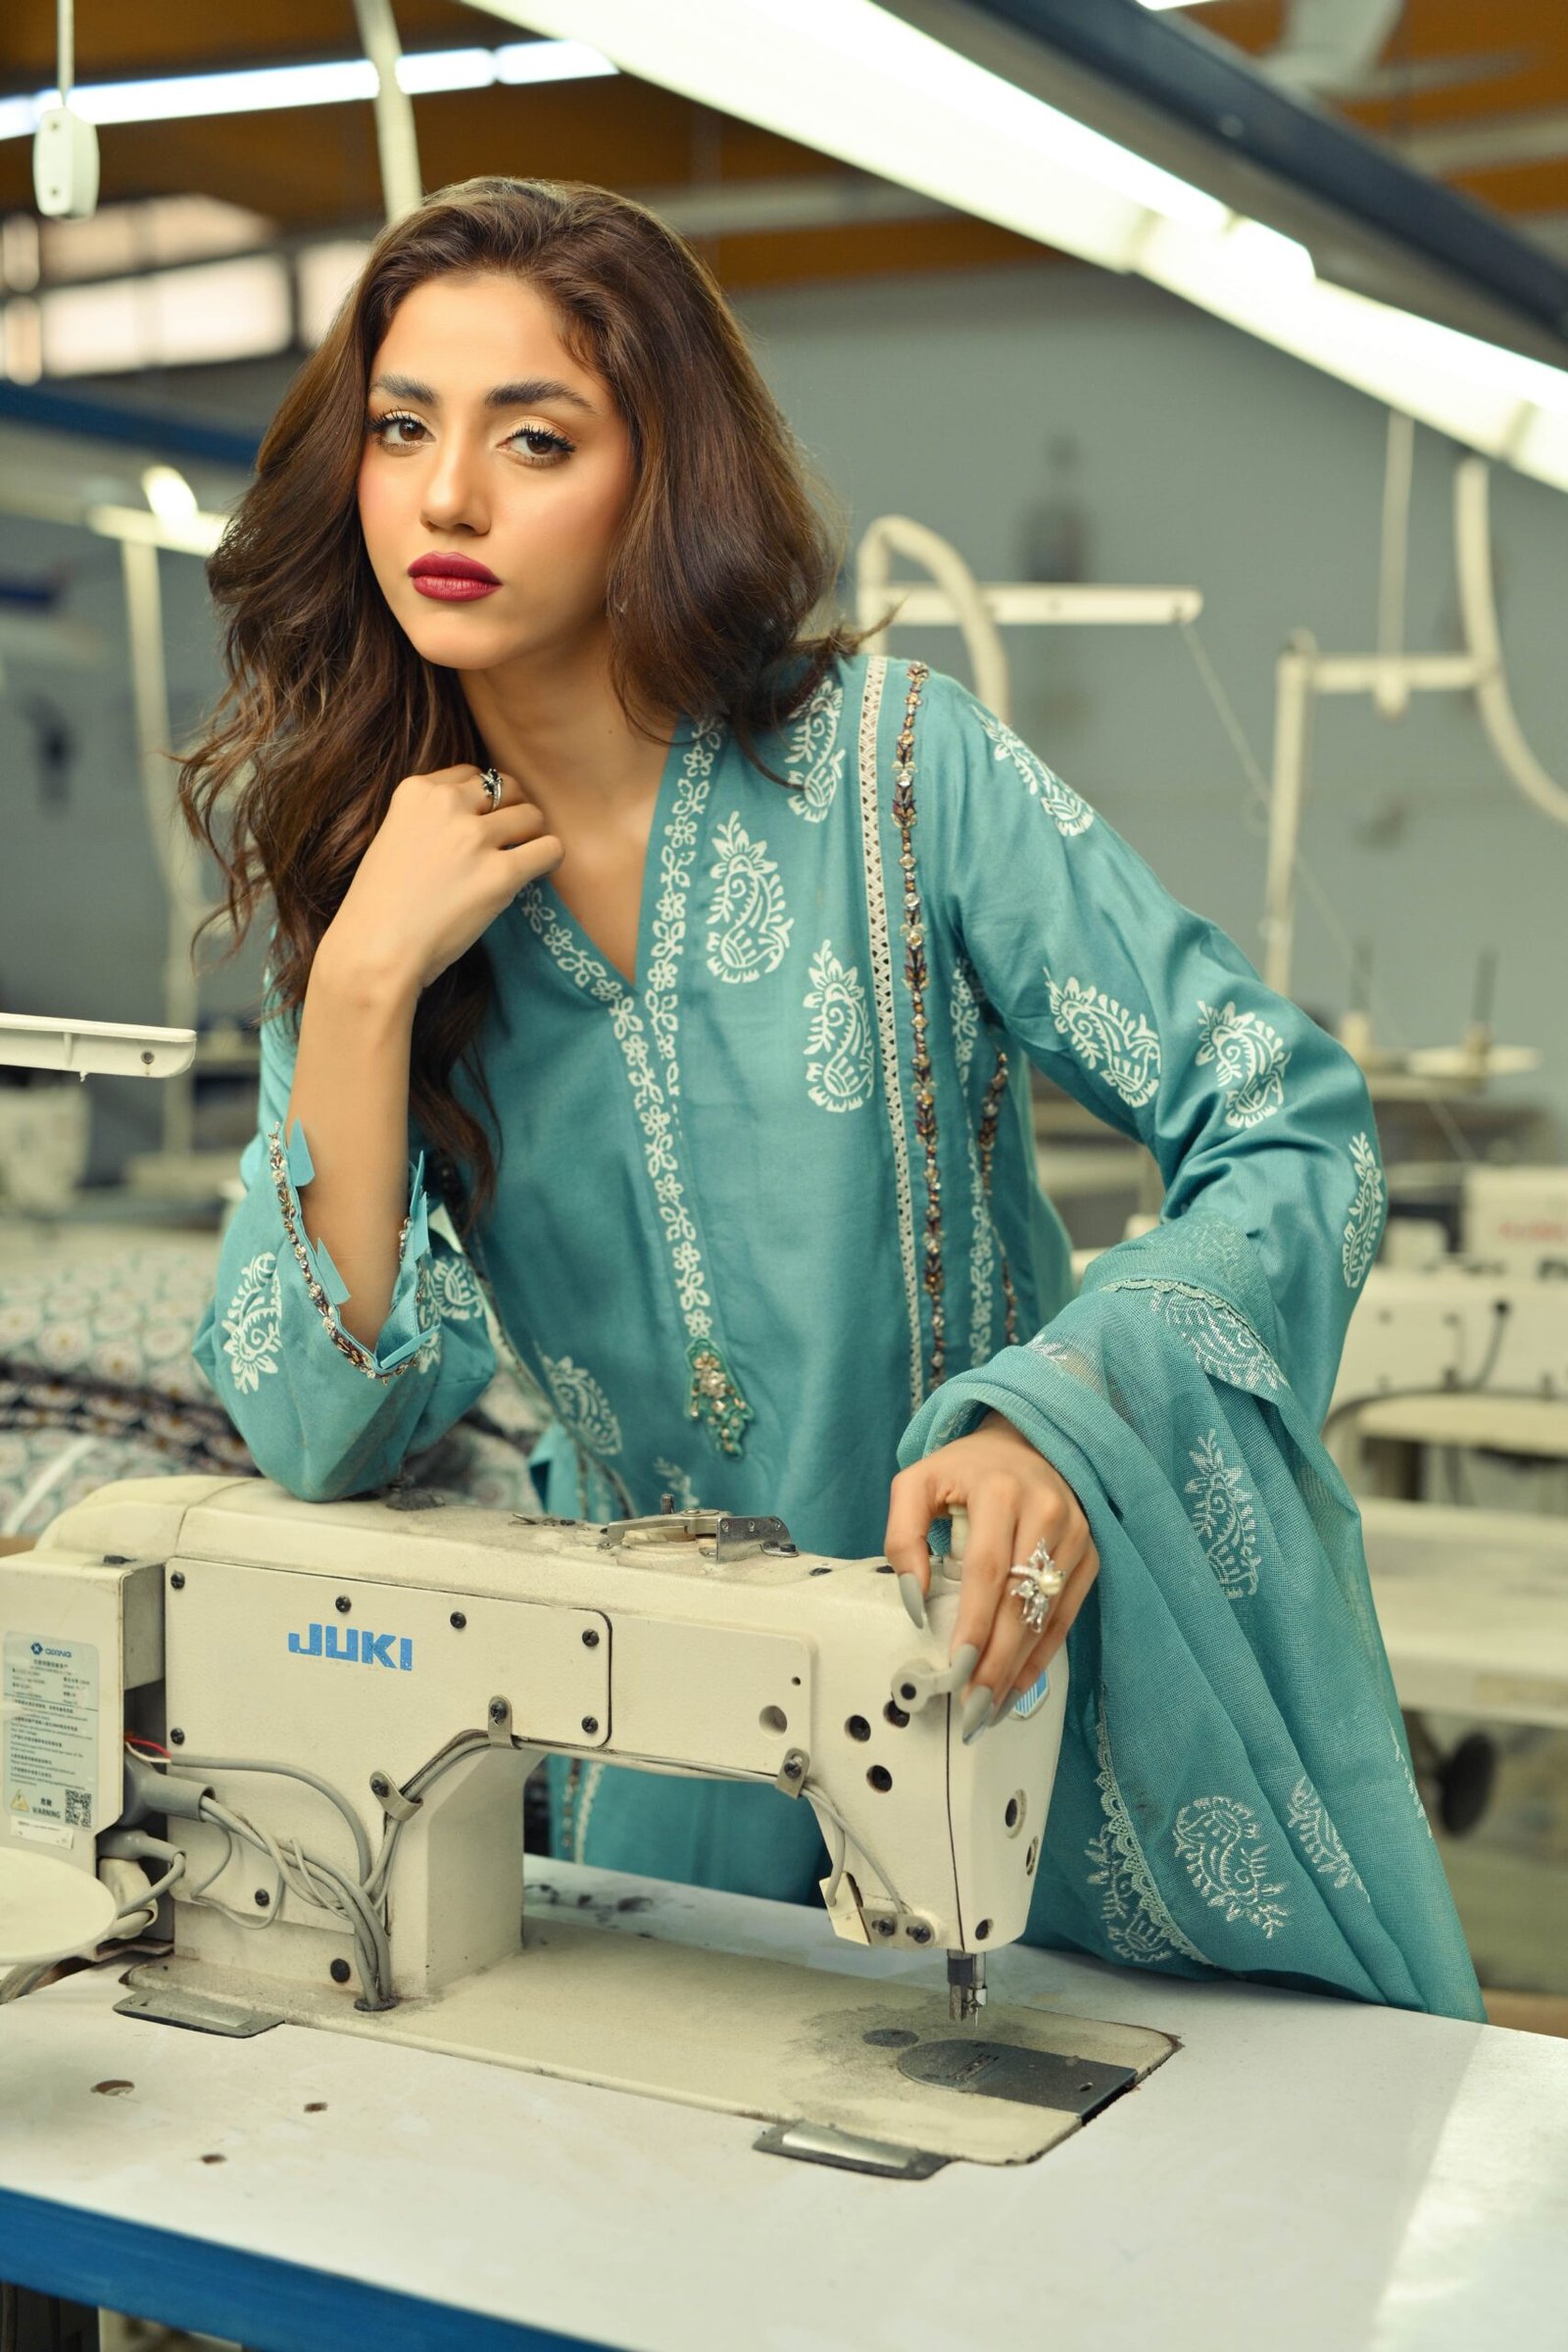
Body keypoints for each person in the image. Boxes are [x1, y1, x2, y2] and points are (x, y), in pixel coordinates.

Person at [184, 176, 1481, 2020]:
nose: (447, 498)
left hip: (1039, 1705)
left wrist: (1059, 1418)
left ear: (659, 478)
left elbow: (1291, 1121)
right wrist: (364, 989)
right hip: (666, 1759)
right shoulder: (373, 907)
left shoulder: (896, 775)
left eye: (534, 438)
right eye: (403, 429)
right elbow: (320, 1433)